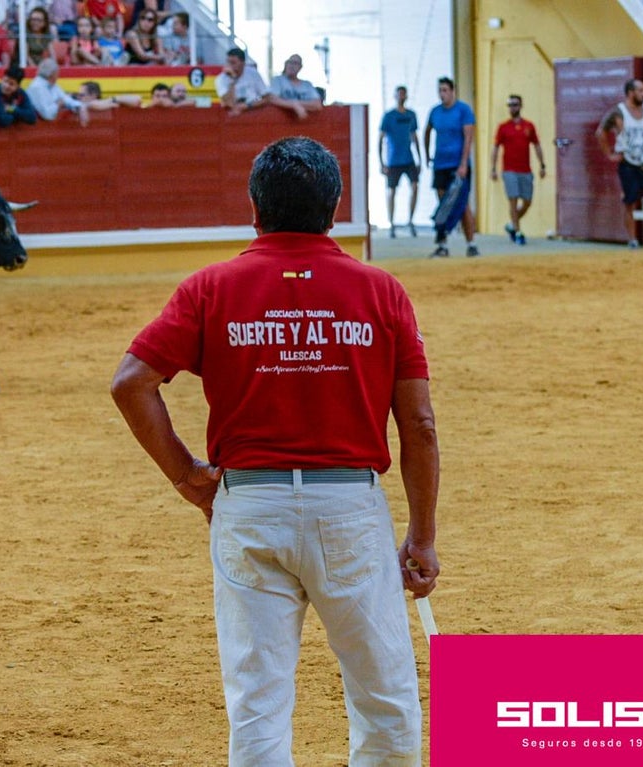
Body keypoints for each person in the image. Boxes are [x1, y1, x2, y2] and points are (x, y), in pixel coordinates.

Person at [110, 135, 438, 767]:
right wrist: (421, 536)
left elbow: (131, 383)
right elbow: (418, 424)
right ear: (335, 209)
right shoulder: (381, 291)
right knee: (384, 697)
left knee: (258, 702)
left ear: (254, 209)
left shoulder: (210, 288)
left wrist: (187, 477)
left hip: (249, 505)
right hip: (349, 509)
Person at [595, 78, 643, 250]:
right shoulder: (618, 111)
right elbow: (600, 132)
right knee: (629, 201)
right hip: (628, 162)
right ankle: (632, 239)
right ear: (630, 93)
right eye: (640, 91)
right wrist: (609, 154)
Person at [424, 76, 477, 257]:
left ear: (453, 91)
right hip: (440, 164)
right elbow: (427, 132)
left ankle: (471, 243)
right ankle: (443, 245)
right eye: (440, 91)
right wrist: (427, 155)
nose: (442, 94)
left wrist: (463, 164)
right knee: (443, 205)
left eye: (445, 90)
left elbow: (468, 138)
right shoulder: (435, 112)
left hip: (458, 165)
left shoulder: (463, 110)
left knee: (462, 204)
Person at [490, 93, 546, 246]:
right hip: (509, 170)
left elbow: (537, 145)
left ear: (520, 106)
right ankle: (518, 232)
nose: (512, 108)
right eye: (510, 105)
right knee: (513, 200)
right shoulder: (503, 127)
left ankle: (511, 224)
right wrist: (493, 168)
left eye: (515, 105)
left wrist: (542, 165)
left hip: (525, 170)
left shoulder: (529, 126)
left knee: (527, 201)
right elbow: (495, 148)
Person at [378, 85, 421, 239]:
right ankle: (391, 223)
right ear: (395, 96)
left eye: (404, 94)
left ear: (406, 96)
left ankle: (410, 220)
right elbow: (380, 139)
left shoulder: (411, 115)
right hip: (393, 160)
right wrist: (381, 162)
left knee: (415, 187)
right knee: (392, 191)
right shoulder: (388, 116)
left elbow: (414, 137)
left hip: (408, 159)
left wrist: (420, 159)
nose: (401, 96)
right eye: (399, 94)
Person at [25, 57, 89, 125]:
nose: (58, 76)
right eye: (57, 73)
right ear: (52, 74)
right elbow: (47, 115)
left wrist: (81, 107)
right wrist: (58, 104)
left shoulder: (52, 84)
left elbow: (66, 99)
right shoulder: (37, 87)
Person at [267, 54, 323, 119]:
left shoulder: (307, 85)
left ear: (300, 67)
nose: (291, 66)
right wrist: (293, 105)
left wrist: (296, 104)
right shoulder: (278, 80)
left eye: (295, 63)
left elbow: (317, 104)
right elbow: (272, 99)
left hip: (303, 121)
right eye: (289, 62)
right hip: (282, 120)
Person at [216, 47, 267, 115]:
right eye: (228, 62)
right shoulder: (221, 79)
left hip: (253, 114)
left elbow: (266, 98)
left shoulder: (253, 74)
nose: (230, 66)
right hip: (233, 117)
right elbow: (229, 103)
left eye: (233, 63)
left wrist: (248, 106)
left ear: (243, 63)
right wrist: (232, 81)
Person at [75, 79, 140, 109]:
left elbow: (137, 99)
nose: (78, 97)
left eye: (81, 95)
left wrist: (113, 100)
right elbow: (92, 104)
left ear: (93, 95)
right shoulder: (78, 104)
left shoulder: (109, 102)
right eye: (77, 95)